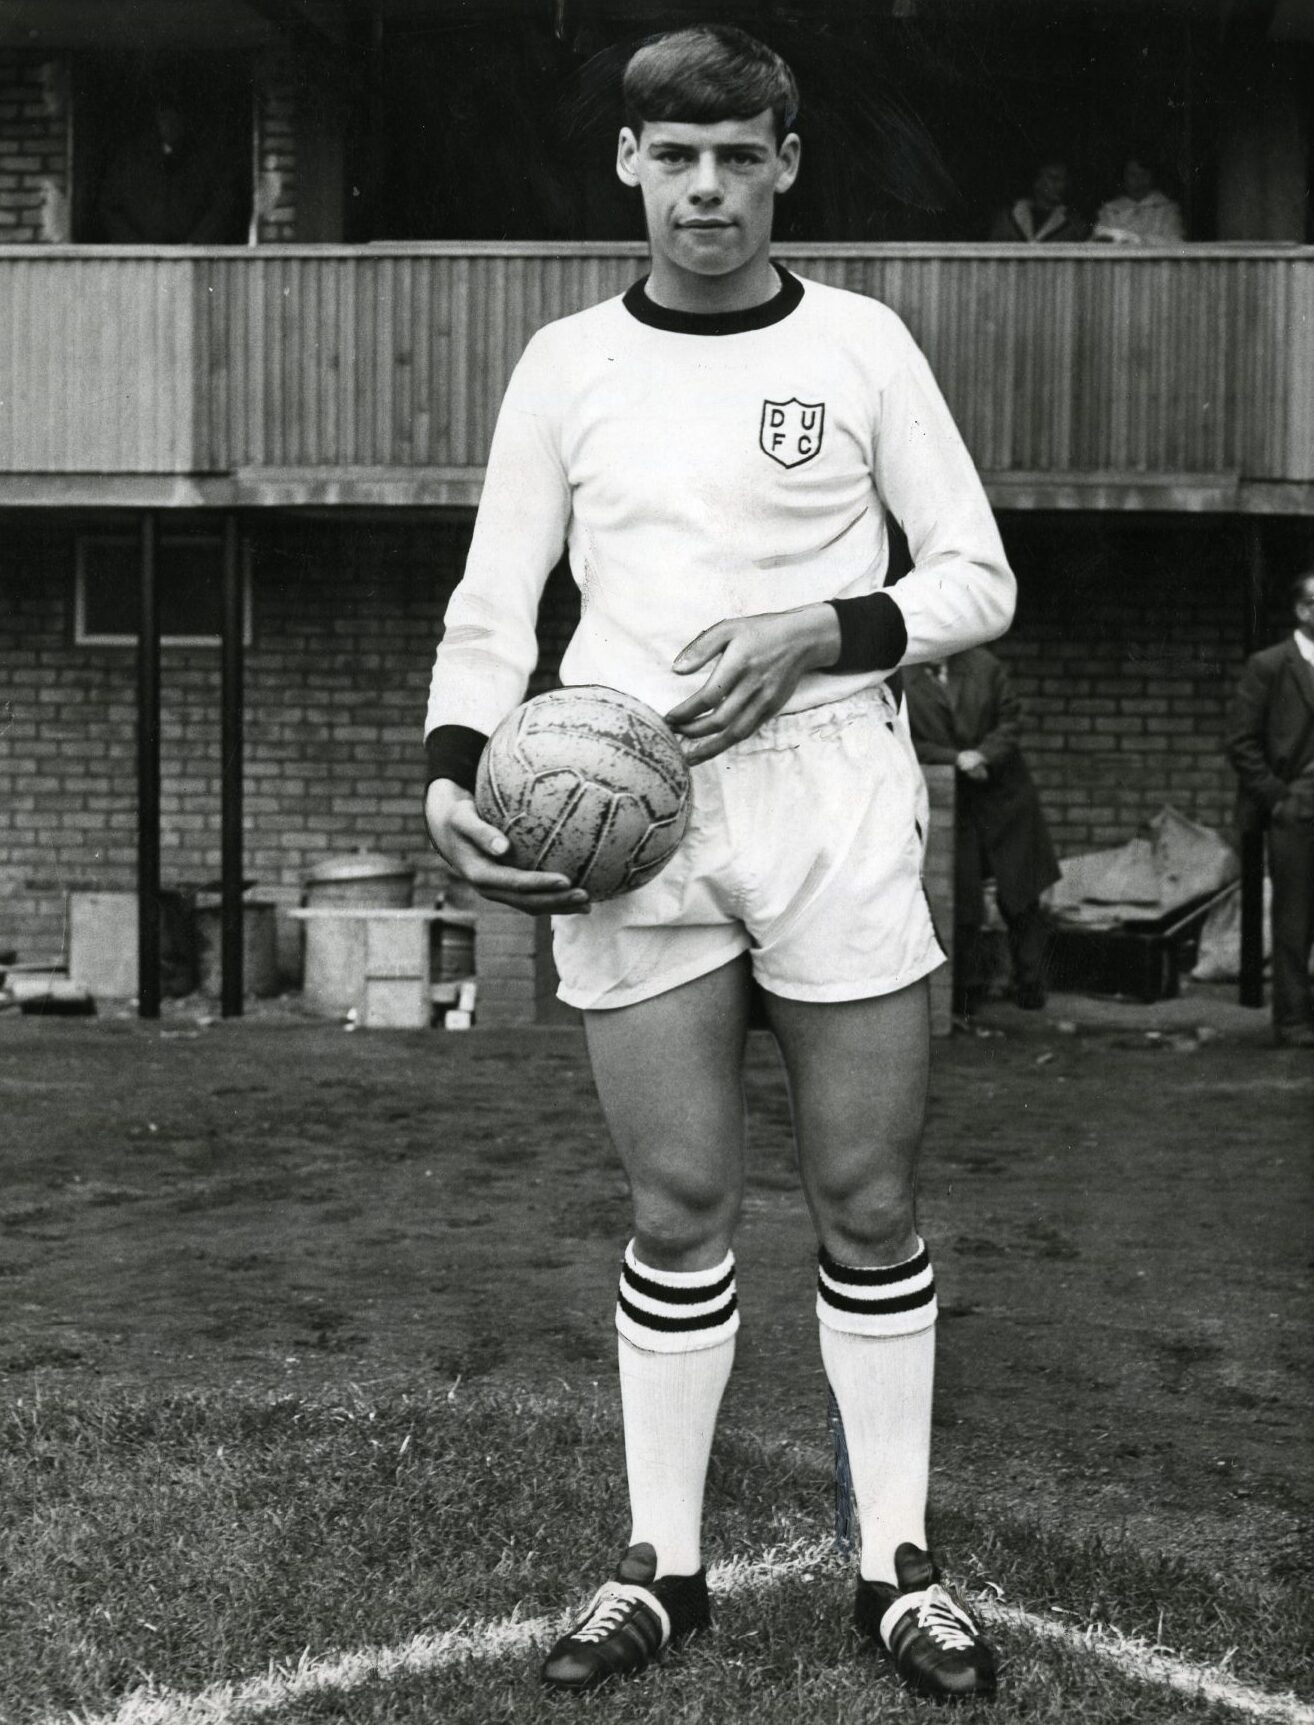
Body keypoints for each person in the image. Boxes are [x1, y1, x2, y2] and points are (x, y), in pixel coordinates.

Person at [423, 25, 1015, 1703]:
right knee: (678, 1200)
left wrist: (824, 624)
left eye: (738, 155)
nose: (705, 188)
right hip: (628, 814)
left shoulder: (860, 346)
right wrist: (455, 773)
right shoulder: (563, 368)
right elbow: (492, 609)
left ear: (784, 163)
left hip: (830, 796)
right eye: (673, 158)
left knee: (866, 1195)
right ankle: (657, 1567)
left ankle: (892, 1565)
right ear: (628, 165)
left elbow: (975, 578)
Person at [905, 648, 1060, 1016]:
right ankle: (965, 994)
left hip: (1004, 794)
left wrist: (983, 754)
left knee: (1021, 895)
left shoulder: (985, 666)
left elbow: (1011, 721)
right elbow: (905, 739)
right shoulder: (902, 677)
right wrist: (955, 759)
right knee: (963, 900)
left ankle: (1030, 984)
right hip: (953, 803)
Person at [1225, 571, 1314, 1049]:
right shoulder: (1270, 665)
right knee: (1294, 921)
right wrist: (1278, 799)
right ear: (1304, 611)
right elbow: (1240, 741)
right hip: (1295, 809)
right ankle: (1295, 1022)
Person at [95, 98, 245, 244]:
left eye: (176, 115)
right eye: (164, 116)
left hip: (193, 259)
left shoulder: (207, 162)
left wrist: (196, 243)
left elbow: (224, 204)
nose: (170, 123)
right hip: (139, 260)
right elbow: (110, 207)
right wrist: (135, 247)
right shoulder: (129, 161)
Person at [1092, 155, 1185, 245]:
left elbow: (1176, 242)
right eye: (1133, 175)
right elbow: (1099, 241)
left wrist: (1138, 240)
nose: (1139, 180)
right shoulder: (1110, 210)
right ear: (1123, 177)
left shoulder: (1167, 209)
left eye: (1144, 174)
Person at [988, 159, 1089, 242]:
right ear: (1036, 181)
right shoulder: (1008, 216)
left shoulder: (1074, 222)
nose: (1061, 185)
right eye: (1054, 179)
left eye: (1064, 180)